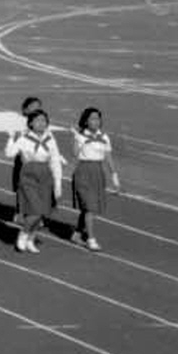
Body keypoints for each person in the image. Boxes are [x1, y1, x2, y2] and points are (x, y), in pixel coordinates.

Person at [8, 108, 64, 252]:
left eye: (44, 121)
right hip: (29, 175)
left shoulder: (50, 139)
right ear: (31, 123)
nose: (41, 123)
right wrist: (11, 138)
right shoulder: (24, 138)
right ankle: (23, 234)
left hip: (45, 176)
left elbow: (55, 160)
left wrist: (58, 183)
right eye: (38, 121)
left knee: (43, 212)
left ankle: (31, 239)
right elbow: (9, 153)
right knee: (35, 211)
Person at [69, 106, 119, 251]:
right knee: (90, 207)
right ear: (85, 121)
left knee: (90, 209)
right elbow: (75, 154)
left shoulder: (104, 137)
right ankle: (91, 239)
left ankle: (77, 233)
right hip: (83, 172)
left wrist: (115, 177)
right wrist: (78, 139)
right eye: (92, 118)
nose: (96, 121)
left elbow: (108, 157)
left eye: (97, 118)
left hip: (98, 172)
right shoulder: (80, 136)